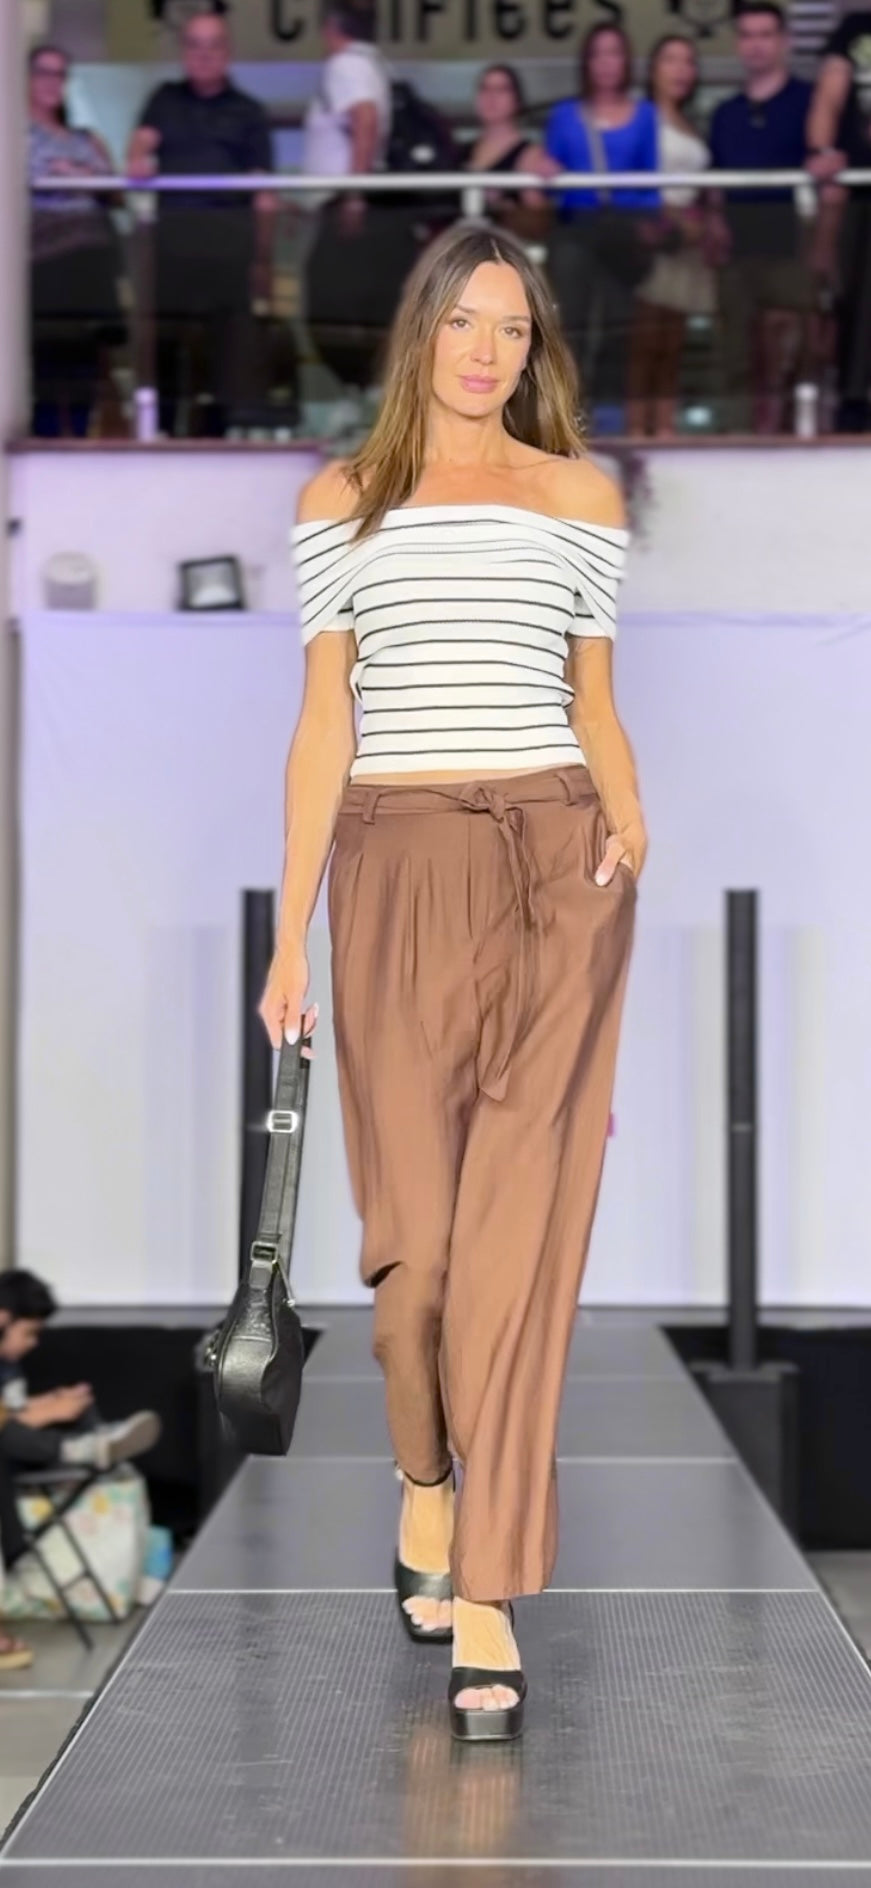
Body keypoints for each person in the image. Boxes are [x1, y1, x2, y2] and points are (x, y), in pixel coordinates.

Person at [259, 221, 645, 1742]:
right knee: (410, 1268)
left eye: (514, 329)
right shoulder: (340, 502)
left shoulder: (577, 495)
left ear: (534, 348)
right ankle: (423, 1477)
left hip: (559, 861)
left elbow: (594, 699)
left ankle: (488, 1587)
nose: (488, 352)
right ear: (420, 331)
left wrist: (630, 822)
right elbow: (323, 727)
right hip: (398, 862)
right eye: (465, 323)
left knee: (515, 1257)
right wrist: (289, 933)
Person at [127, 6, 276, 437]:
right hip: (172, 245)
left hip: (229, 246)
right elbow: (139, 148)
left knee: (225, 346)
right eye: (195, 45)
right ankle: (162, 432)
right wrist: (138, 160)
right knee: (166, 341)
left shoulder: (249, 112)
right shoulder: (164, 99)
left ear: (228, 52)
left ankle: (216, 435)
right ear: (183, 51)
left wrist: (263, 261)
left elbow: (265, 195)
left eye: (214, 45)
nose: (204, 54)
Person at [706, 3, 815, 434]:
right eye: (748, 35)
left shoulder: (810, 103)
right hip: (736, 252)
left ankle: (801, 437)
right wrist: (714, 221)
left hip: (794, 249)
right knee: (736, 354)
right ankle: (738, 437)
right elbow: (714, 180)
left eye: (766, 34)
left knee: (798, 353)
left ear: (784, 41)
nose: (756, 45)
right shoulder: (725, 112)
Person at [544, 25, 660, 411]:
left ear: (626, 61)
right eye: (598, 54)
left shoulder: (645, 115)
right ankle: (566, 411)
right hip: (575, 228)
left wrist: (648, 224)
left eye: (615, 53)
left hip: (625, 230)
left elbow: (652, 182)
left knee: (618, 324)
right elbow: (550, 179)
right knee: (570, 323)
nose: (607, 63)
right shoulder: (564, 115)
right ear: (587, 62)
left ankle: (609, 414)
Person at [303, 0, 407, 411]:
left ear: (330, 27)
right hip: (350, 203)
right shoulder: (372, 63)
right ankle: (363, 396)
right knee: (351, 308)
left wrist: (353, 194)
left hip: (348, 206)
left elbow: (365, 120)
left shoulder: (346, 65)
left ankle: (360, 397)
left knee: (328, 307)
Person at [27, 41, 124, 438]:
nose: (52, 82)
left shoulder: (86, 139)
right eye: (43, 73)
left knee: (88, 361)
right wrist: (77, 178)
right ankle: (47, 440)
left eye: (60, 74)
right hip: (45, 262)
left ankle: (81, 436)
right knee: (48, 360)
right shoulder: (16, 135)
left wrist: (77, 174)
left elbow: (115, 192)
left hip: (91, 264)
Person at [628, 36, 715, 438]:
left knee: (672, 342)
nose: (681, 70)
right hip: (651, 235)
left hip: (687, 243)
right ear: (653, 69)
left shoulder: (692, 123)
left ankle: (664, 427)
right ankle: (635, 428)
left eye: (688, 61)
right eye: (671, 60)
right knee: (644, 339)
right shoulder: (638, 118)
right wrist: (668, 216)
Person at [0, 1271, 161, 1475]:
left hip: (15, 1431)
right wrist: (46, 1413)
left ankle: (101, 1444)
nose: (34, 1343)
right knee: (9, 1435)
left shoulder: (9, 1365)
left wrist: (50, 1401)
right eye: (29, 1333)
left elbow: (12, 1406)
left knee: (77, 1402)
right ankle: (80, 1450)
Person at [806, 6, 871, 432]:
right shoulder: (856, 29)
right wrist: (822, 151)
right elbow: (828, 99)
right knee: (857, 296)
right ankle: (853, 399)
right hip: (861, 189)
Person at [463, 65, 559, 242]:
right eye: (485, 89)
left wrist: (503, 206)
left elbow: (537, 226)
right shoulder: (461, 151)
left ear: (517, 100)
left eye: (501, 90)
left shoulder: (530, 155)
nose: (491, 97)